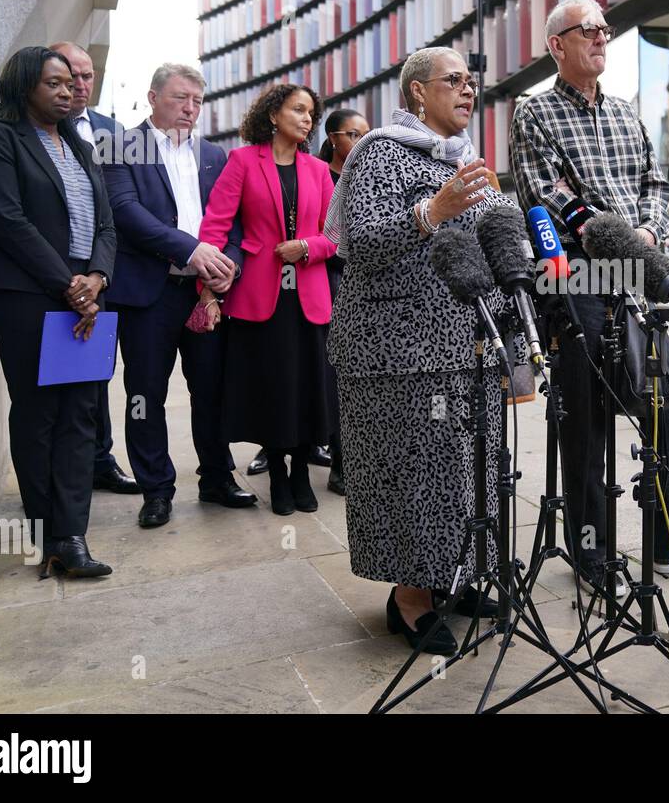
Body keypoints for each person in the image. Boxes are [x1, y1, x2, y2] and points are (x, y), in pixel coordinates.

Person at [512, 0, 669, 591]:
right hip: (578, 280)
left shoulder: (625, 111)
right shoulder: (532, 113)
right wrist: (610, 234)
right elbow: (548, 194)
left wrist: (648, 231)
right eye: (587, 30)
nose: (601, 38)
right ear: (556, 45)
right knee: (585, 418)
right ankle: (592, 553)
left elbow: (654, 180)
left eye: (605, 30)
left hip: (637, 274)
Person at [328, 47, 506, 656]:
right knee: (414, 475)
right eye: (452, 80)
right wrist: (435, 210)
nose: (467, 90)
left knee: (464, 475)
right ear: (416, 94)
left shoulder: (465, 162)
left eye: (470, 81)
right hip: (395, 352)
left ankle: (451, 580)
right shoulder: (382, 150)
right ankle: (410, 597)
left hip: (465, 346)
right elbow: (365, 243)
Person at [0, 46, 116, 577]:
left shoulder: (79, 145)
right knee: (40, 414)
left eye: (71, 83)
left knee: (81, 412)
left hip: (85, 294)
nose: (67, 90)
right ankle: (46, 532)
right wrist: (69, 286)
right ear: (24, 86)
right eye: (53, 83)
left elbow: (106, 223)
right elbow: (8, 220)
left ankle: (72, 537)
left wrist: (97, 278)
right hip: (27, 295)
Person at [103, 63, 256, 529]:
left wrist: (226, 267)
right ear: (152, 98)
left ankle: (215, 476)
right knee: (145, 394)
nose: (190, 108)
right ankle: (157, 490)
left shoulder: (214, 154)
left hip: (203, 293)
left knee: (211, 389)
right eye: (179, 98)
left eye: (196, 100)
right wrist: (194, 250)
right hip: (148, 294)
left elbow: (233, 219)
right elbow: (126, 212)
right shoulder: (121, 146)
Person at [198, 84, 337, 516]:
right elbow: (216, 225)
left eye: (311, 113)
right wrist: (207, 281)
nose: (307, 119)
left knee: (309, 386)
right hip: (259, 295)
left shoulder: (317, 169)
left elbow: (336, 233)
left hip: (310, 296)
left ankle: (299, 470)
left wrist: (307, 248)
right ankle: (276, 469)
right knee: (271, 387)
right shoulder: (242, 161)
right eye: (298, 110)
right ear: (273, 114)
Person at [48, 40, 137, 496]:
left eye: (87, 77)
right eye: (70, 77)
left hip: (102, 273)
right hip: (48, 276)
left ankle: (100, 460)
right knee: (54, 381)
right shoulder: (34, 131)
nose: (81, 86)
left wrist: (99, 275)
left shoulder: (112, 130)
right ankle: (59, 473)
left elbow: (116, 209)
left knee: (96, 373)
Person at [314, 107, 369, 496]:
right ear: (333, 137)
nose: (362, 141)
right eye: (354, 134)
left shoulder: (369, 174)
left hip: (364, 281)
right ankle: (340, 463)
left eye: (367, 133)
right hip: (330, 280)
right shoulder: (321, 176)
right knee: (333, 378)